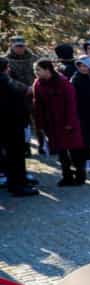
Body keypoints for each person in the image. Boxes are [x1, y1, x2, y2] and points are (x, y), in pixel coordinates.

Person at [33, 59, 87, 186]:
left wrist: (69, 122)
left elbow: (71, 104)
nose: (36, 73)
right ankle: (66, 175)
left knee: (74, 150)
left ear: (47, 70)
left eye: (38, 70)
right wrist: (39, 125)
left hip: (67, 122)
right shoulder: (38, 84)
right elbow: (37, 105)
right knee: (61, 151)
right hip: (51, 123)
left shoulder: (63, 83)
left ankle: (80, 175)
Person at [1, 58, 36, 196]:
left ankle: (15, 182)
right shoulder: (6, 81)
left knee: (9, 156)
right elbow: (26, 90)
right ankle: (18, 185)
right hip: (12, 123)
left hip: (5, 123)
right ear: (6, 68)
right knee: (16, 155)